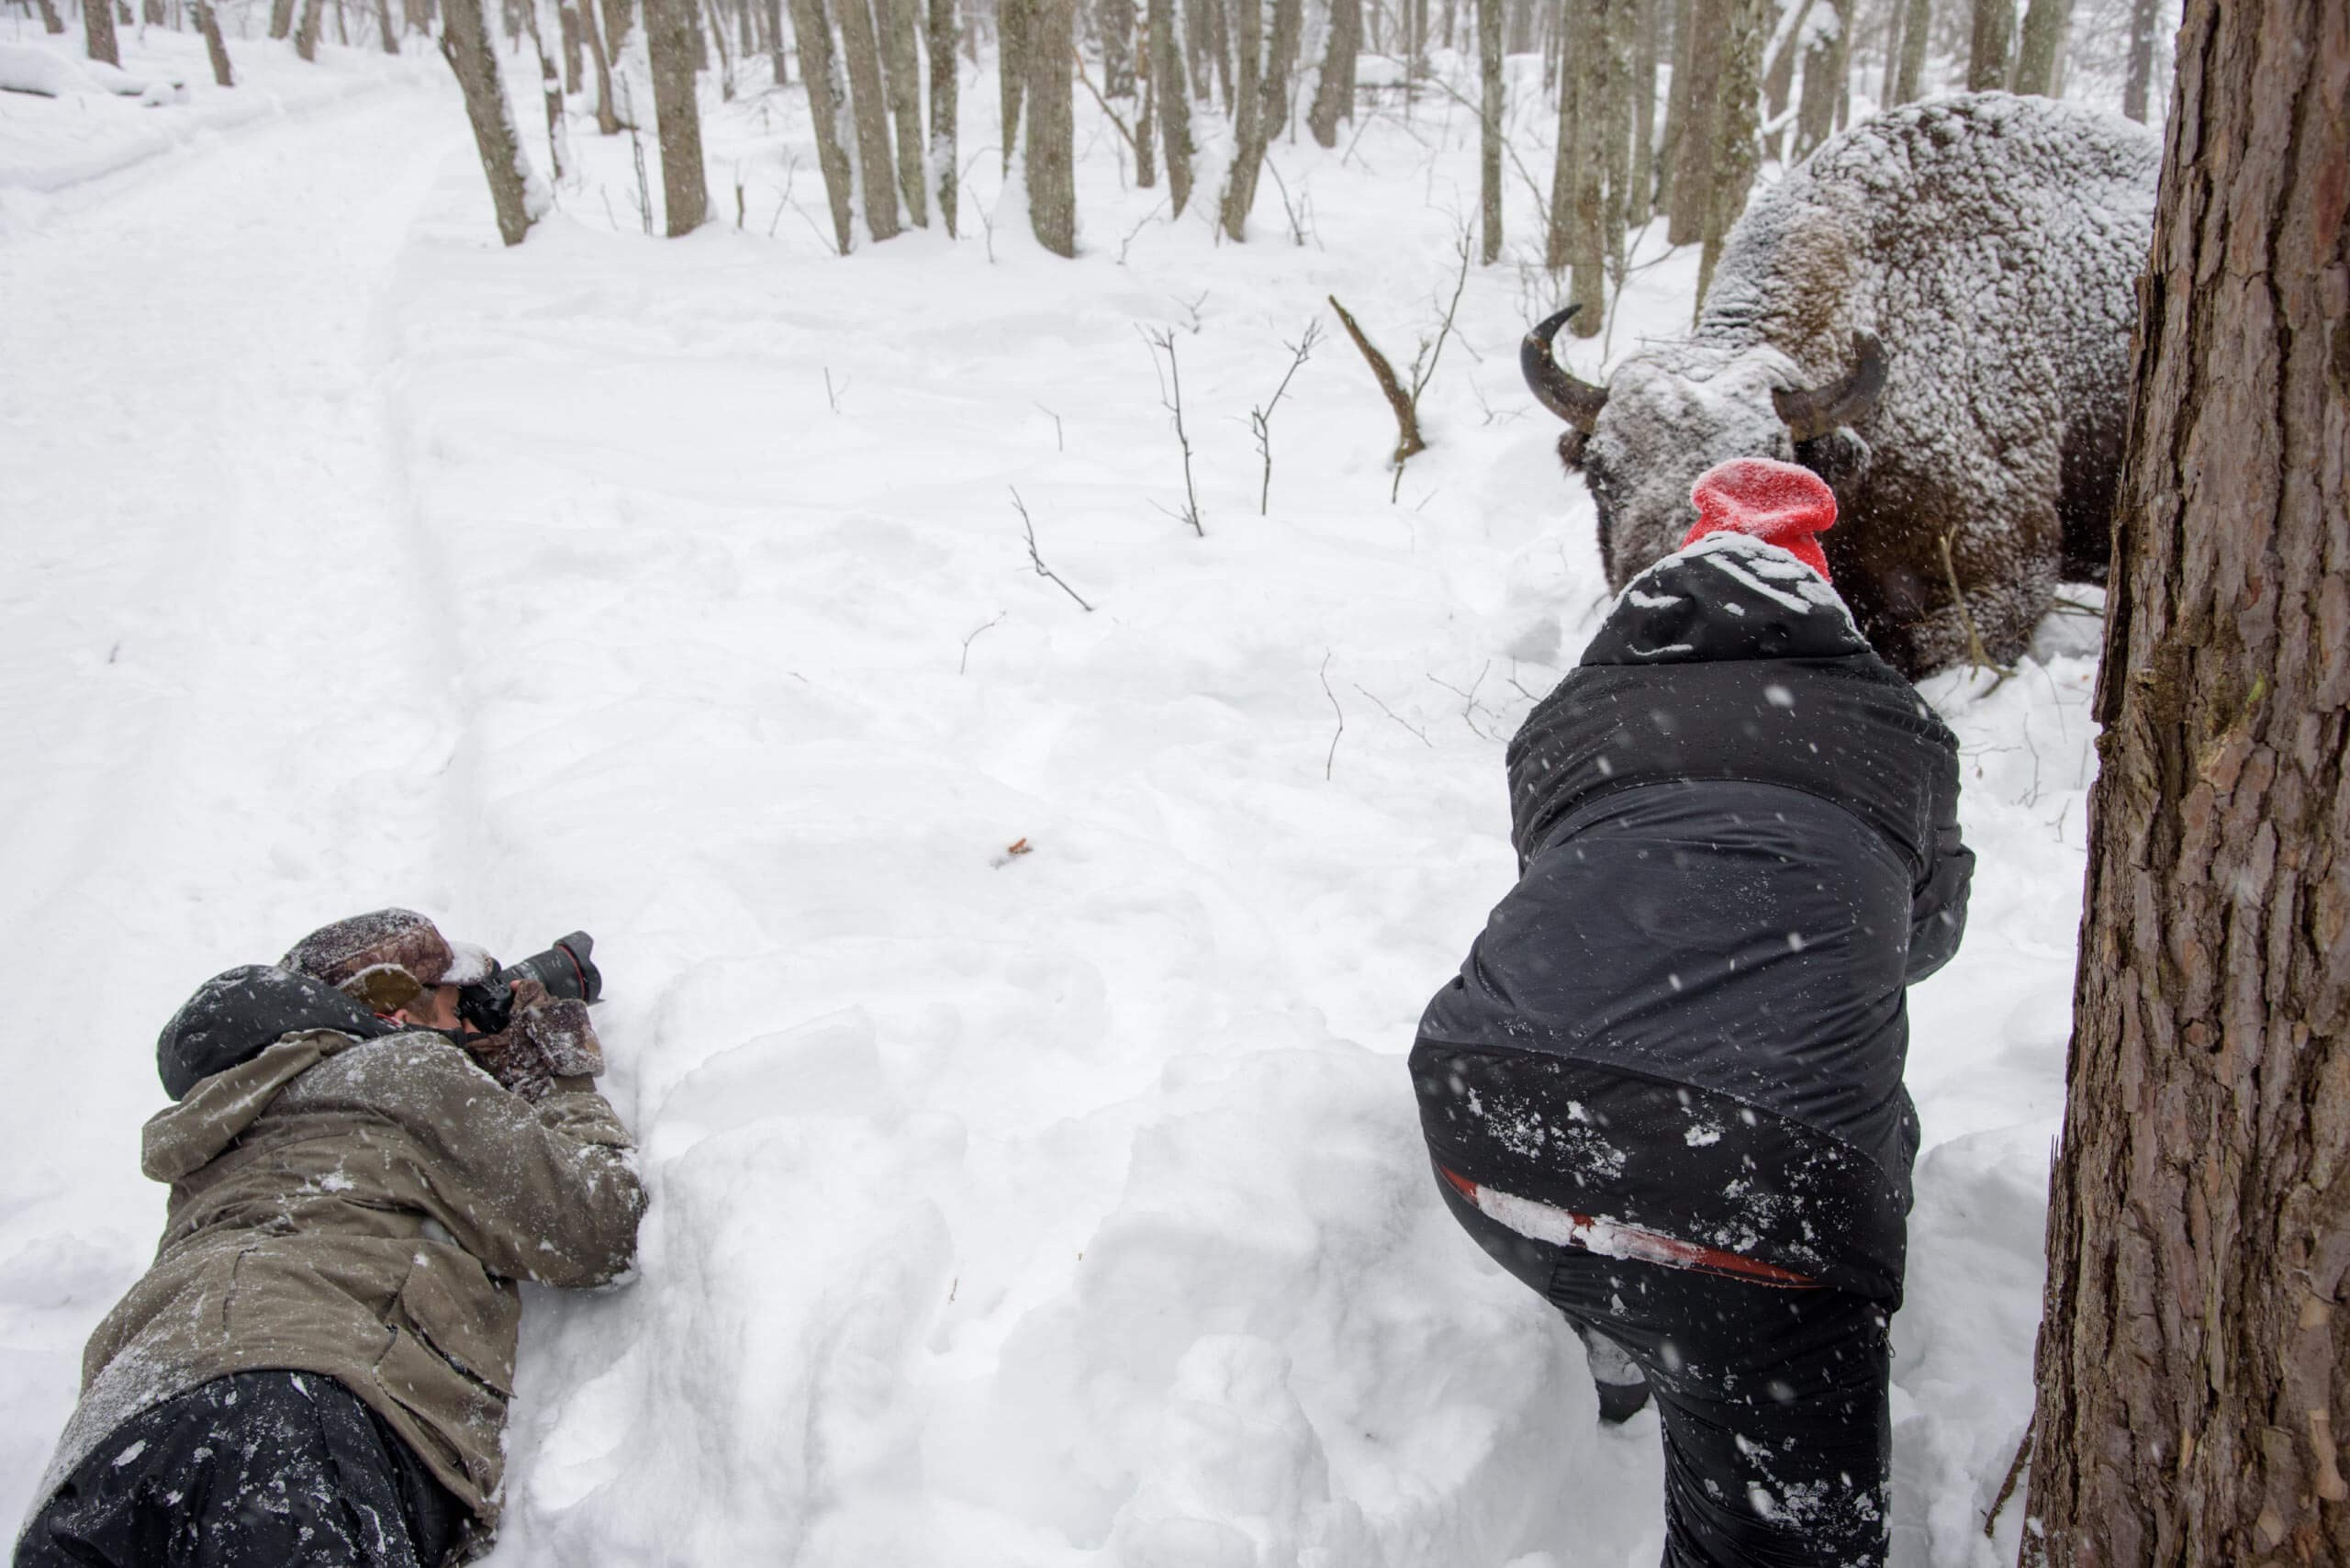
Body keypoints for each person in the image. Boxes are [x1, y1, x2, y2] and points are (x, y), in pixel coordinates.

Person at [1411, 458, 1974, 1565]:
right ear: (1823, 597)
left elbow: (1566, 880)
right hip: (1756, 1191)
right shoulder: (1898, 728)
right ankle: (1677, 1319)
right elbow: (1927, 936)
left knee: (1638, 1153)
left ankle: (1625, 1330)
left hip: (1486, 1106)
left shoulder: (1570, 714)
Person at [15, 910, 645, 1568]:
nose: (467, 1028)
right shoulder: (403, 1071)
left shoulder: (227, 1134)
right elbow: (603, 1226)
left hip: (107, 1445)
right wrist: (557, 1075)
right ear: (393, 1010)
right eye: (457, 1007)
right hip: (286, 1413)